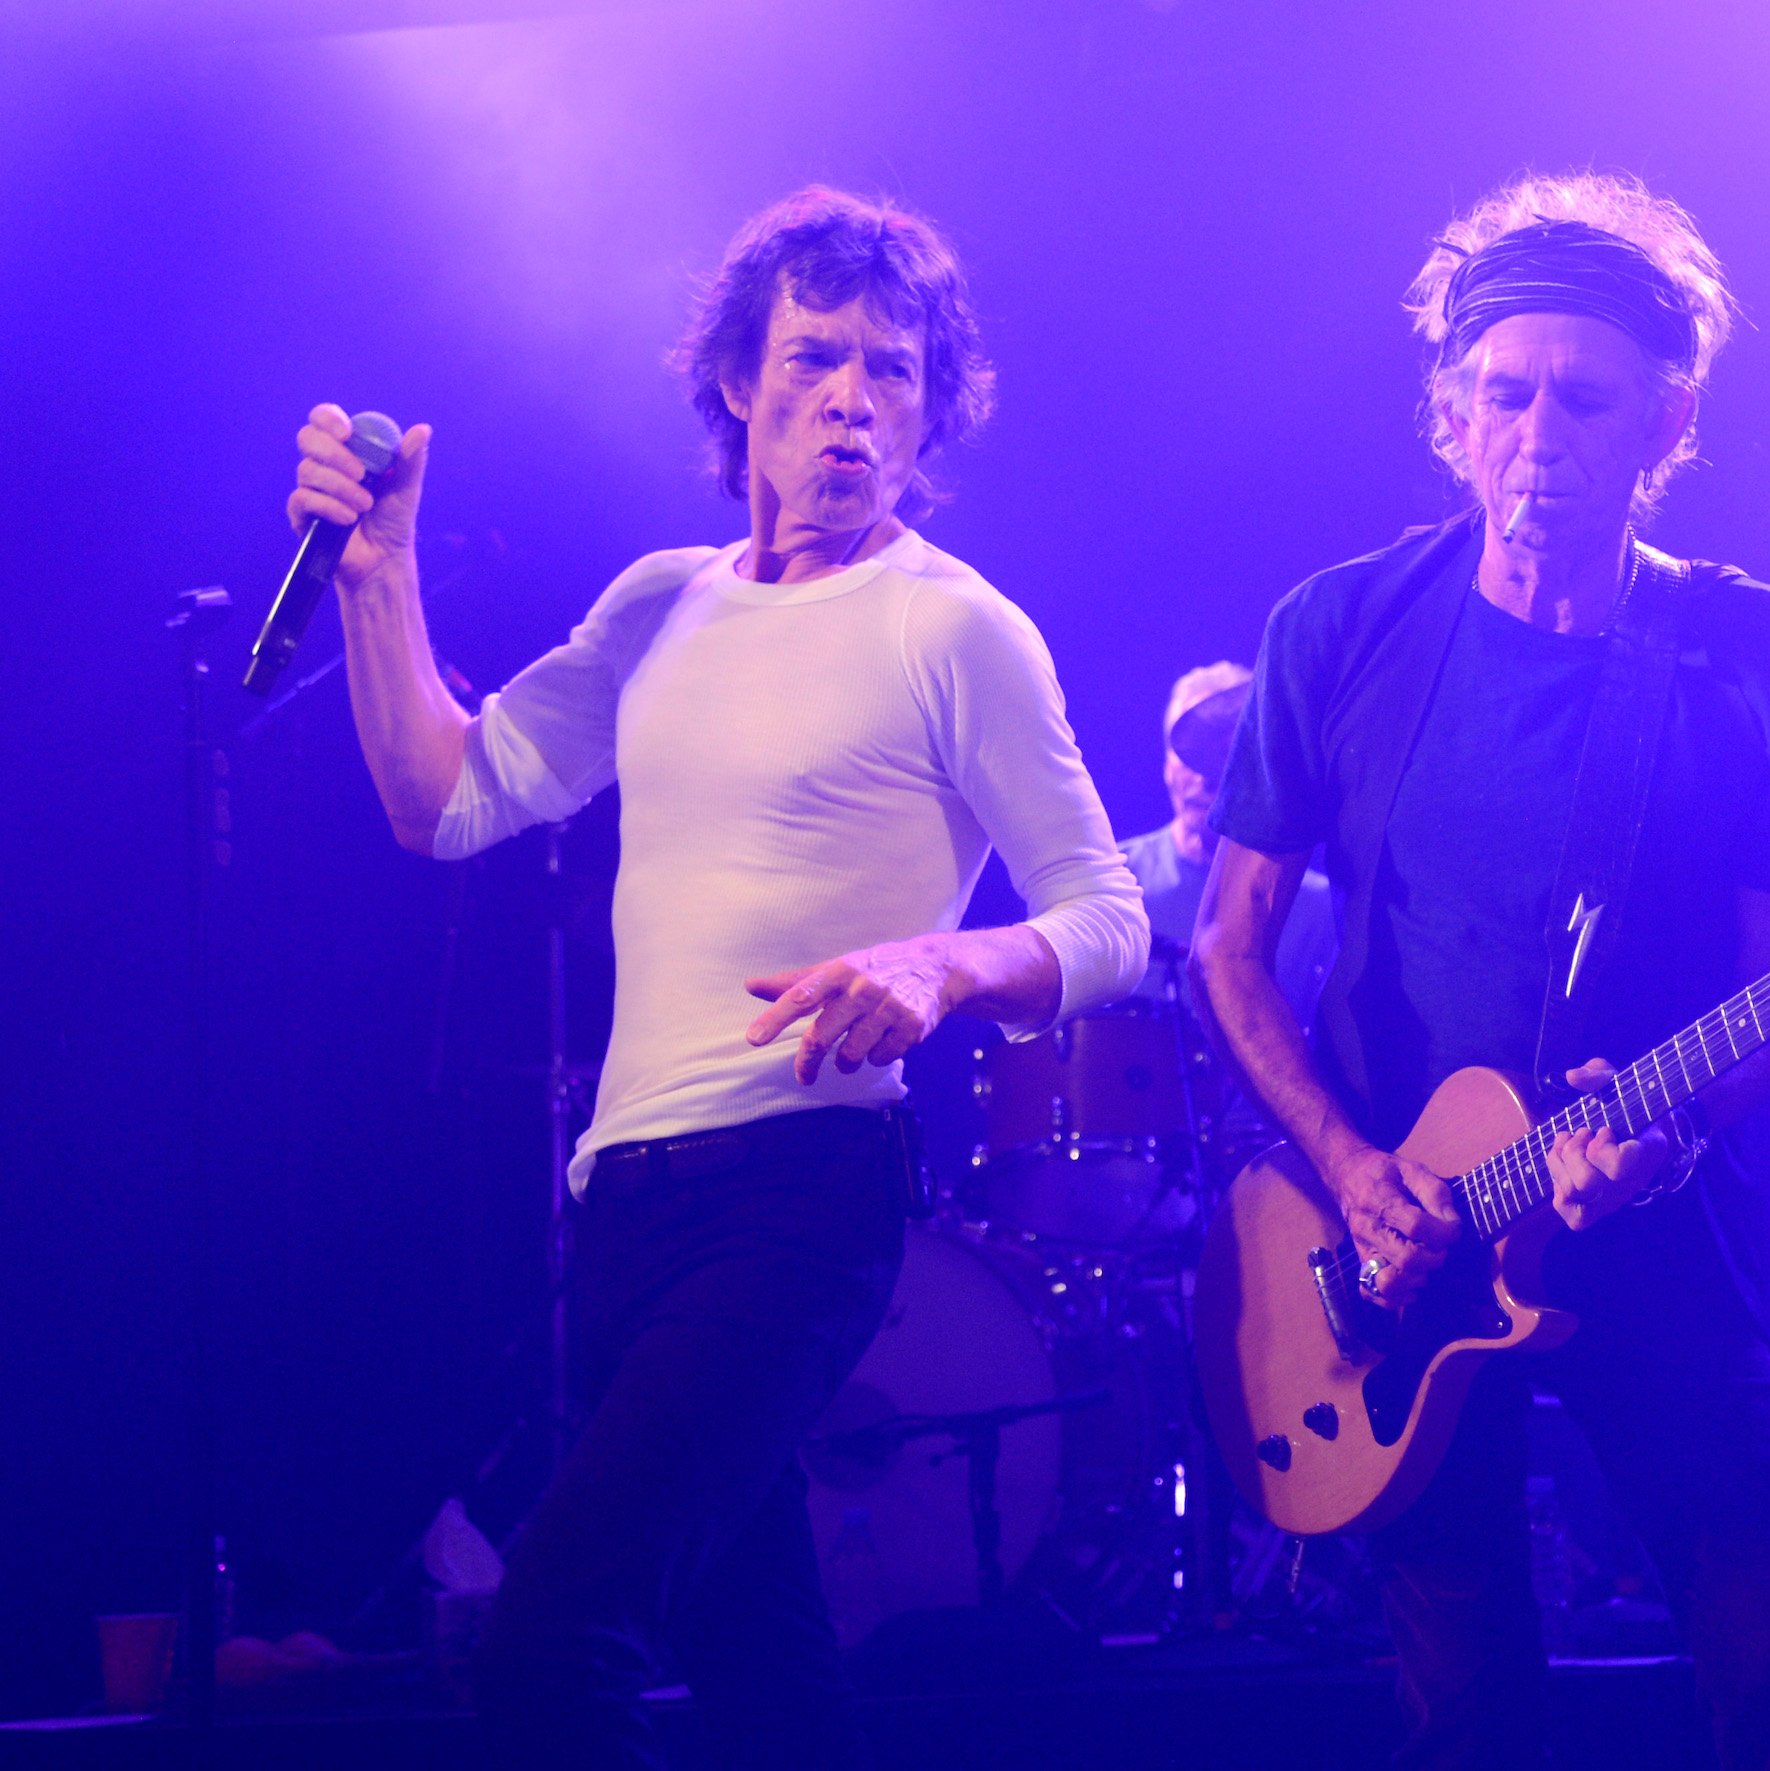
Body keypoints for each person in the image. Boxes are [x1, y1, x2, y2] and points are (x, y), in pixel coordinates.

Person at [287, 187, 1147, 1769]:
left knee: (551, 1635)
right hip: (626, 1198)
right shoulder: (656, 602)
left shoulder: (956, 629)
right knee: (762, 1668)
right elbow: (444, 797)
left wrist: (941, 960)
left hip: (799, 1189)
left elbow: (1106, 915)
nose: (851, 397)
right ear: (739, 385)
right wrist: (377, 574)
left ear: (928, 409)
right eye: (815, 358)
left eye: (892, 371)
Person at [1192, 170, 1770, 1769]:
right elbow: (1227, 943)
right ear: (1447, 413)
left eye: (1584, 398)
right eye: (1503, 394)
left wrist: (1670, 1136)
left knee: (1769, 1649)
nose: (1537, 433)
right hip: (1398, 1238)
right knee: (1463, 1688)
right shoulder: (1339, 627)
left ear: (1669, 422)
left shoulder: (1755, 651)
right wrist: (1347, 1163)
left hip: (1645, 1209)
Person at [1120, 660, 1336, 1024]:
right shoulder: (1117, 881)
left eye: (1222, 752)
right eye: (1186, 752)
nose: (1203, 777)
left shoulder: (1320, 907)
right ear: (1165, 765)